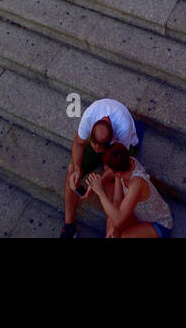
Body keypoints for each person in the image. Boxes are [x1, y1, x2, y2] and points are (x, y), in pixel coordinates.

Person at [60, 97, 139, 238]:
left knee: (113, 187)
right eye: (93, 146)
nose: (97, 152)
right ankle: (69, 226)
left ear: (109, 141)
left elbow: (117, 168)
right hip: (102, 143)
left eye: (100, 150)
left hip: (121, 150)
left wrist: (99, 183)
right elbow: (78, 143)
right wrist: (77, 168)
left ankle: (110, 233)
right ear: (92, 135)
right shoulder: (90, 115)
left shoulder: (123, 129)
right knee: (71, 171)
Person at [86, 143, 174, 239]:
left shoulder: (137, 183)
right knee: (111, 222)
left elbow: (119, 219)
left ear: (117, 172)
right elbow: (117, 200)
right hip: (139, 216)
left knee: (126, 236)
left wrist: (100, 192)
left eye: (108, 167)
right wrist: (113, 226)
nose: (105, 169)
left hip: (160, 224)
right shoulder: (125, 164)